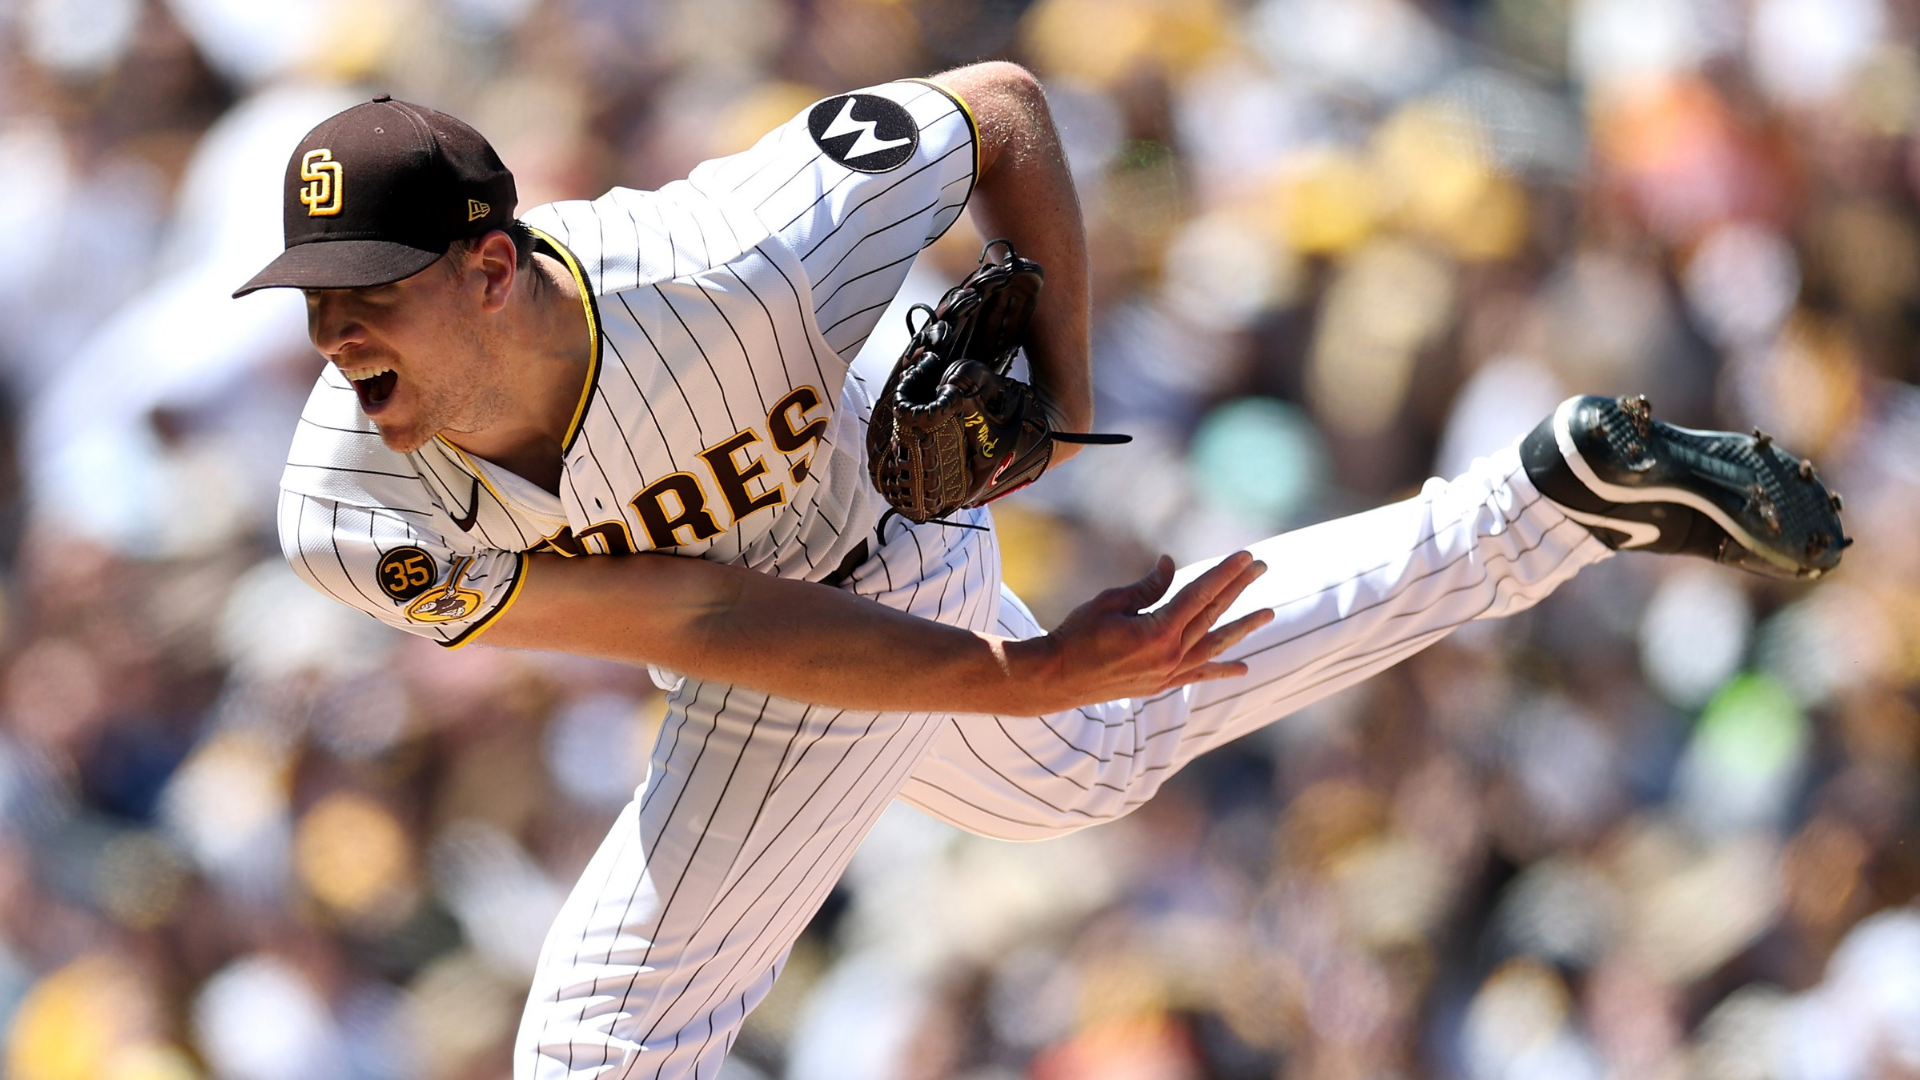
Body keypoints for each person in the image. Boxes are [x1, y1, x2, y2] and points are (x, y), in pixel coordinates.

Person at [234, 64, 1844, 1080]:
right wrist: (1023, 684)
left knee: (599, 1048)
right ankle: (1547, 506)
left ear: (496, 266)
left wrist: (1069, 404)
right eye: (313, 297)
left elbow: (997, 107)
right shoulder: (347, 504)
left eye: (369, 287)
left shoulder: (730, 258)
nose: (334, 330)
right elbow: (707, 614)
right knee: (1087, 761)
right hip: (786, 622)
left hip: (885, 535)